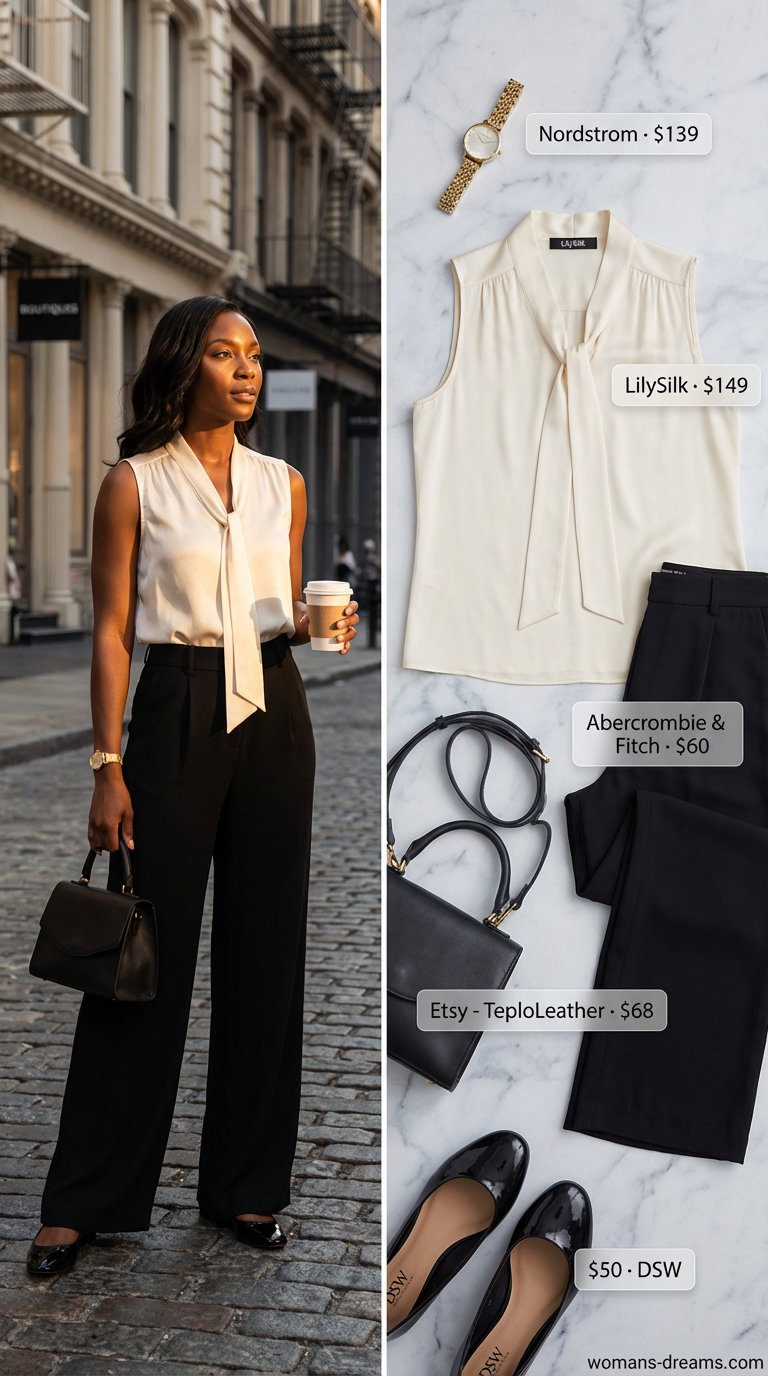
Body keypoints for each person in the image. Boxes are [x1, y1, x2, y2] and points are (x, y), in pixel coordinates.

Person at [25, 295, 358, 1277]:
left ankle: (247, 1187)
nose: (247, 370)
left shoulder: (282, 483)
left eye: (254, 355)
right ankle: (85, 1196)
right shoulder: (134, 483)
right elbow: (114, 631)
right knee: (142, 955)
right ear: (185, 364)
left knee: (268, 954)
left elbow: (275, 608)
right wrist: (105, 760)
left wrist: (309, 622)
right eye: (226, 353)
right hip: (173, 703)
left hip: (275, 703)